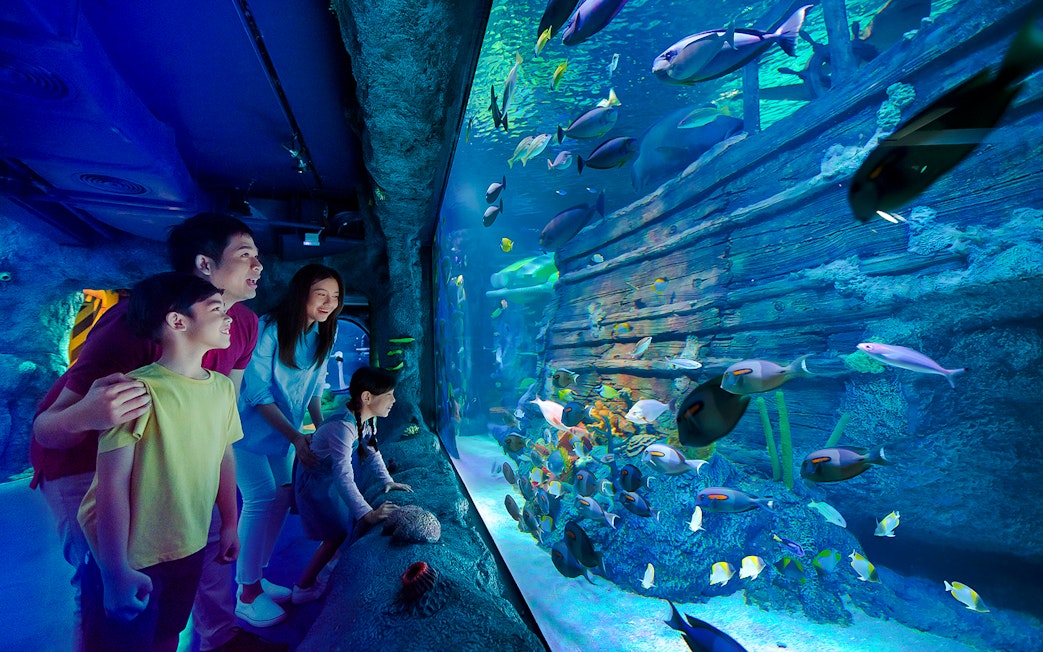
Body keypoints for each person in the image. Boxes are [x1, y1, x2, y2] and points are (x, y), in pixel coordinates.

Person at [31, 213, 282, 652]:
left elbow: (220, 413)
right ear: (205, 264)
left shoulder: (242, 325)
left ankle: (220, 637)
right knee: (111, 595)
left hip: (171, 464)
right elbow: (48, 429)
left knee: (199, 557)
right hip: (83, 461)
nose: (259, 266)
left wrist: (227, 516)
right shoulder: (134, 322)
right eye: (246, 256)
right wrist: (89, 413)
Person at [77, 272, 242, 651]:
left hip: (190, 542)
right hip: (133, 554)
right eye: (216, 309)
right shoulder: (135, 390)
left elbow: (225, 455)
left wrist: (230, 523)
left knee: (169, 632)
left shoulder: (221, 388)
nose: (228, 317)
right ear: (178, 321)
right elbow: (112, 484)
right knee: (124, 642)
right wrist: (115, 571)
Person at [233, 264, 343, 627]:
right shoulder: (269, 327)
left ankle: (256, 577)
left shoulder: (324, 332)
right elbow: (257, 392)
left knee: (282, 496)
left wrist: (323, 431)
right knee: (260, 496)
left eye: (335, 296)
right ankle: (246, 594)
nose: (329, 303)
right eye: (321, 294)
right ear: (302, 293)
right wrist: (297, 436)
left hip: (284, 433)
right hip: (245, 429)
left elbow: (314, 388)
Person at [292, 366, 413, 602]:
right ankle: (302, 588)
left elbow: (373, 450)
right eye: (389, 394)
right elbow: (343, 476)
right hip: (316, 486)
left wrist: (388, 481)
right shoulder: (343, 427)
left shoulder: (364, 419)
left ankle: (329, 566)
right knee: (333, 535)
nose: (394, 400)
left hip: (328, 482)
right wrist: (369, 514)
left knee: (341, 526)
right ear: (367, 397)